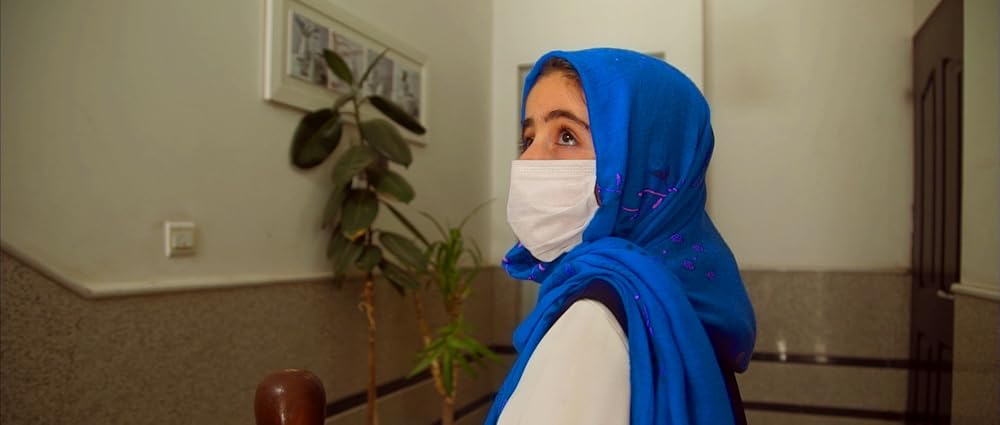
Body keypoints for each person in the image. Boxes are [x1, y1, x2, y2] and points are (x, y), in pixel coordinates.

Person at [487, 48, 756, 425]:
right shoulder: (696, 295)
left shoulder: (592, 322)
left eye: (566, 136)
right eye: (528, 138)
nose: (528, 160)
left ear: (644, 161)